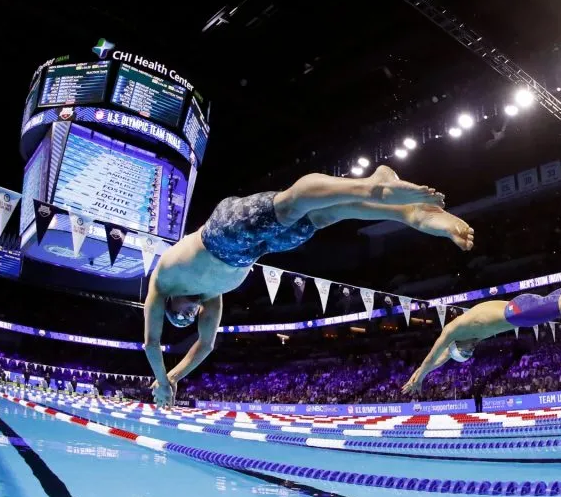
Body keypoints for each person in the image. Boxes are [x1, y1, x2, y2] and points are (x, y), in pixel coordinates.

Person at [146, 166, 475, 406]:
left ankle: (372, 186)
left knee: (291, 204)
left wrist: (161, 380)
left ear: (170, 303)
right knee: (324, 216)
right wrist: (173, 377)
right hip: (261, 247)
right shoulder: (213, 297)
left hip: (222, 231)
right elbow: (205, 345)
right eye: (189, 320)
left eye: (181, 316)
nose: (190, 316)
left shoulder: (162, 282)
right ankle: (408, 214)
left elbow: (151, 342)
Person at [401, 258, 561, 394]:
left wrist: (421, 375)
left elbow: (436, 353)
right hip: (520, 305)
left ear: (460, 345)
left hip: (521, 314)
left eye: (466, 352)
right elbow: (443, 359)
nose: (472, 351)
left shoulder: (455, 330)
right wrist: (420, 374)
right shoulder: (468, 336)